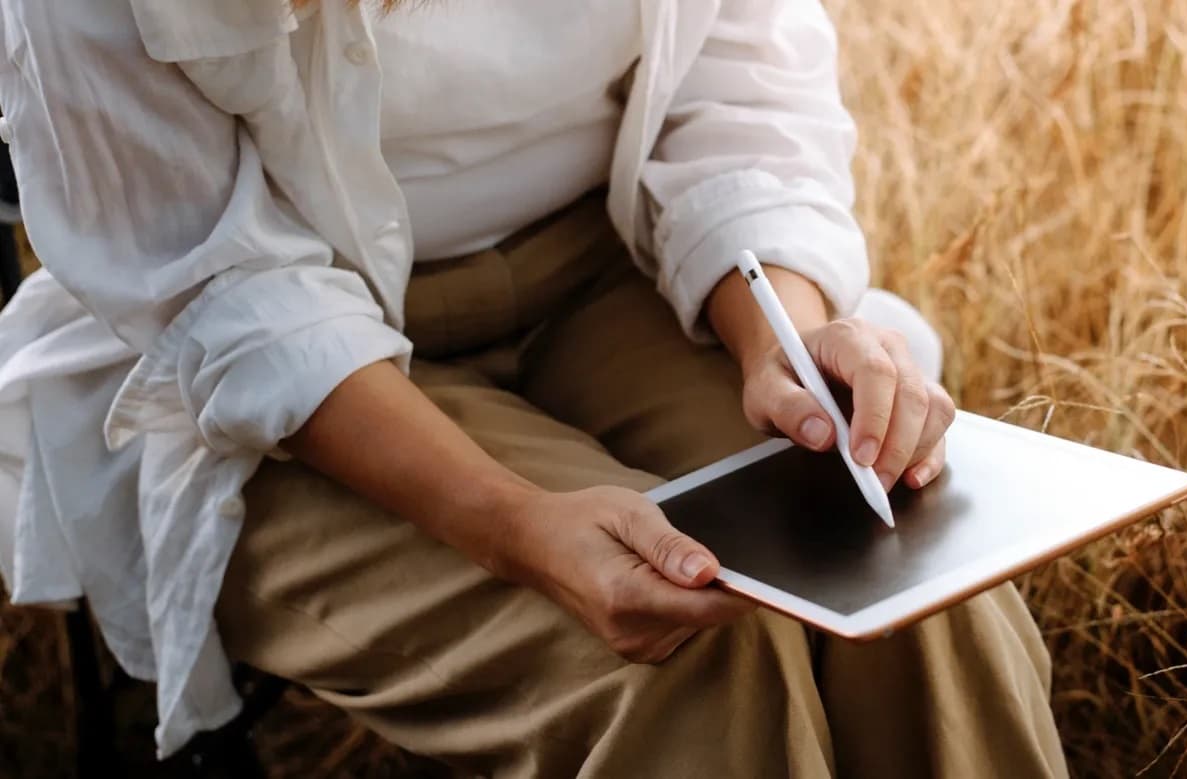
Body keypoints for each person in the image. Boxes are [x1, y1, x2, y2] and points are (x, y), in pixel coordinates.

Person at [0, 0, 1065, 775]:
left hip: (609, 265)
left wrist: (783, 328)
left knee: (903, 580)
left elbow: (732, 79)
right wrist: (516, 525)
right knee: (689, 656)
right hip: (275, 387)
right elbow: (226, 294)